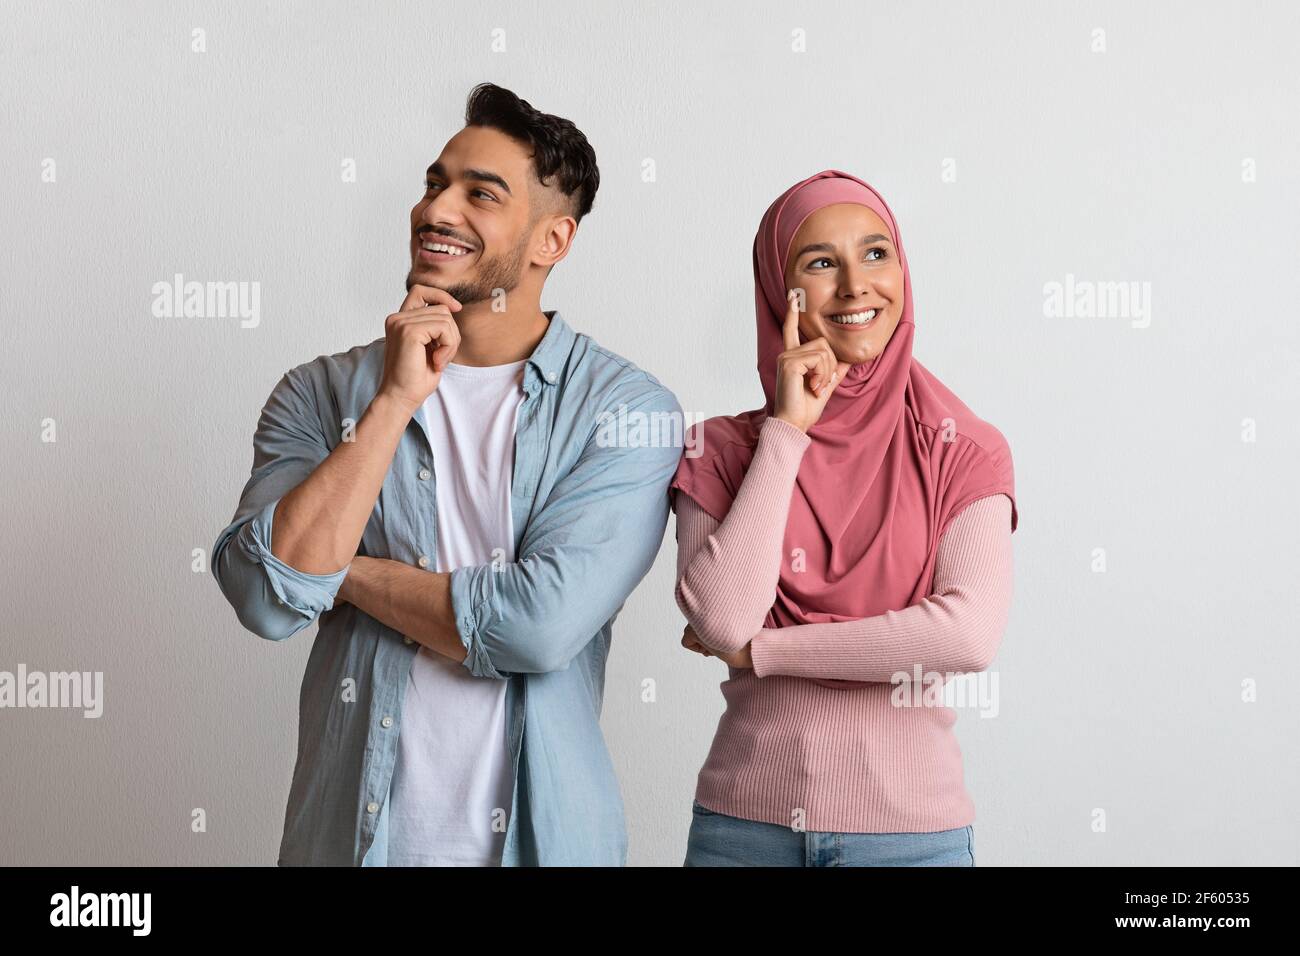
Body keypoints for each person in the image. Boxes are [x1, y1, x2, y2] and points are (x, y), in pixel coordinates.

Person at [210, 83, 682, 866]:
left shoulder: (628, 412)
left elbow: (537, 627)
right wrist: (395, 400)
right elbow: (265, 598)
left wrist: (341, 572)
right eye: (435, 183)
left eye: (480, 194)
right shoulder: (320, 394)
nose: (436, 210)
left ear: (550, 242)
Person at [670, 170, 1018, 867]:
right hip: (745, 832)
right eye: (821, 262)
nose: (857, 285)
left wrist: (765, 653)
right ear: (779, 290)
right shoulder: (721, 449)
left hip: (912, 842)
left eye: (877, 253)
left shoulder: (964, 448)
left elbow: (969, 636)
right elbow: (724, 620)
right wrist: (788, 432)